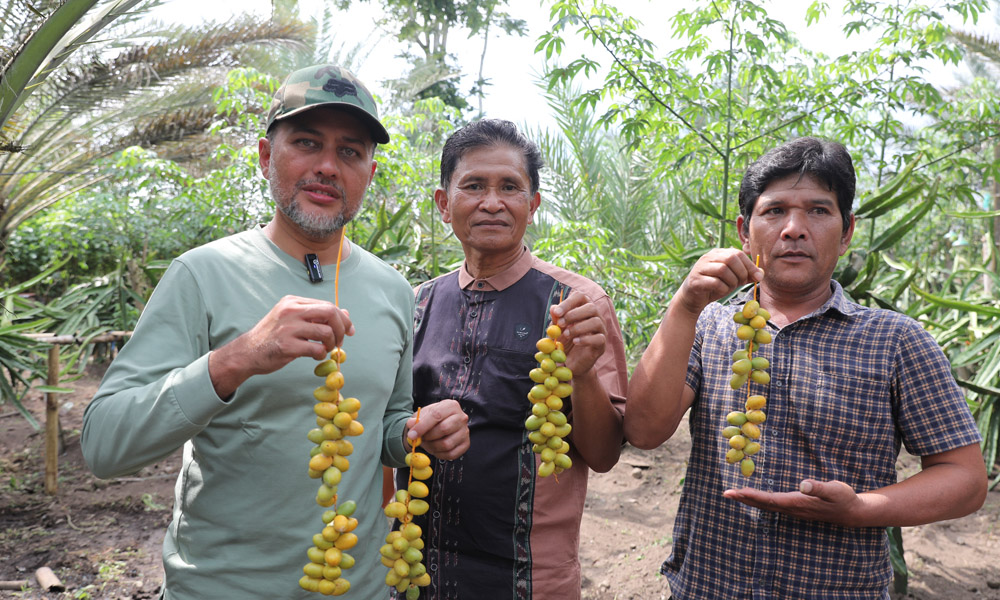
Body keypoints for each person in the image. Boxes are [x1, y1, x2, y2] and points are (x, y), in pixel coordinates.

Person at [80, 64, 469, 600]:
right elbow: (104, 445)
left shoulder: (393, 290)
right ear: (267, 157)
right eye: (307, 143)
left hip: (359, 590)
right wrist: (236, 359)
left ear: (369, 174)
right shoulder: (202, 275)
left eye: (350, 152)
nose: (328, 167)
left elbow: (387, 427)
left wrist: (414, 436)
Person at [624, 136, 987, 599]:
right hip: (706, 586)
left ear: (847, 229)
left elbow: (966, 478)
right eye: (774, 211)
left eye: (818, 210)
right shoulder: (707, 326)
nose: (794, 228)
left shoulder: (896, 341)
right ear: (744, 229)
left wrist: (858, 509)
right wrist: (683, 306)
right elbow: (644, 430)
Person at [392, 119, 629, 599]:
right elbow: (385, 434)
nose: (492, 202)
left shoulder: (577, 305)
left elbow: (604, 455)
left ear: (532, 205)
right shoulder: (413, 305)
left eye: (510, 188)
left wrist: (582, 375)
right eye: (474, 186)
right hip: (415, 571)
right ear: (444, 204)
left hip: (528, 579)